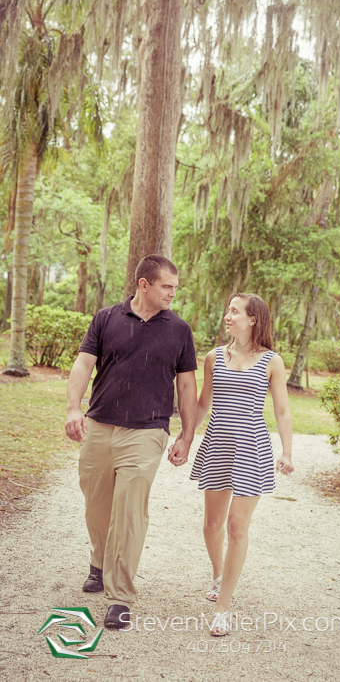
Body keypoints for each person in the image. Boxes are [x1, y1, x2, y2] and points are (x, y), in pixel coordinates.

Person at [65, 255, 197, 629]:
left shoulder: (179, 330)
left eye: (175, 286)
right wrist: (74, 409)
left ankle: (120, 596)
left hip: (148, 430)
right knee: (97, 503)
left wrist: (187, 436)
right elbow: (83, 364)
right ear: (144, 284)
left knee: (130, 510)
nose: (173, 292)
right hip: (100, 426)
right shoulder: (106, 319)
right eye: (166, 286)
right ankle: (99, 560)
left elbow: (187, 385)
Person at [189, 292, 293, 636]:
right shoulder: (213, 357)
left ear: (253, 320)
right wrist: (184, 437)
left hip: (252, 448)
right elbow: (203, 404)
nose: (227, 316)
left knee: (236, 526)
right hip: (218, 444)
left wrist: (287, 451)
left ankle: (222, 609)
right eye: (228, 310)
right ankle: (219, 576)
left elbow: (282, 410)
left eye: (235, 311)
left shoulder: (272, 361)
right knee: (211, 524)